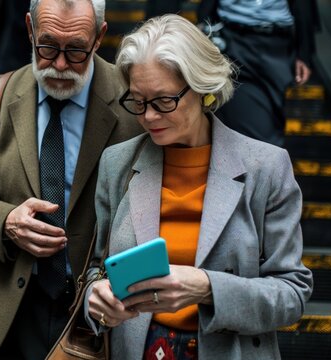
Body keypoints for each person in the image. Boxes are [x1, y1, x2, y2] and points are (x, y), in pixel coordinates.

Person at [84, 14, 312, 359]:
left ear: (204, 88)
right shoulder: (117, 164)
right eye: (138, 102)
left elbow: (292, 294)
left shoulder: (266, 167)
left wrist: (208, 289)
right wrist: (94, 297)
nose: (147, 117)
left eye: (163, 101)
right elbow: (97, 268)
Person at [0, 0, 140, 358]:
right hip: (11, 310)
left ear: (100, 38)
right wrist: (6, 221)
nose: (60, 65)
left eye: (76, 50)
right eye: (47, 46)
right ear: (30, 29)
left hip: (98, 314)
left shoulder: (132, 101)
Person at [197, 0, 320, 147]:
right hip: (233, 39)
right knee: (247, 124)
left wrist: (304, 53)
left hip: (276, 45)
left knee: (268, 120)